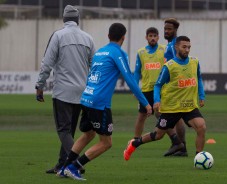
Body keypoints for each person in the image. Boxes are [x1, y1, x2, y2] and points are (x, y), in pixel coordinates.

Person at [57, 23, 152, 181]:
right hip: (99, 103)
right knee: (106, 143)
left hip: (87, 97)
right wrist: (146, 103)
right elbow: (130, 79)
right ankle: (74, 167)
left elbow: (90, 75)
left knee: (88, 134)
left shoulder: (100, 52)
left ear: (108, 36)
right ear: (123, 37)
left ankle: (64, 167)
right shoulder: (118, 53)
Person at [123, 36, 206, 161]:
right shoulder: (169, 66)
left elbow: (198, 78)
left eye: (189, 47)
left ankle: (198, 158)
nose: (187, 50)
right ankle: (134, 143)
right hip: (171, 107)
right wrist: (157, 101)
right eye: (184, 47)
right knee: (158, 135)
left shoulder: (194, 62)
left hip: (189, 105)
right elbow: (157, 85)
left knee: (201, 127)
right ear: (176, 47)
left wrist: (201, 95)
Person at [35, 5, 95, 174]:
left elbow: (47, 64)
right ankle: (62, 164)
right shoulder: (88, 38)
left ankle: (75, 161)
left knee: (63, 130)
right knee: (70, 131)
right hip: (83, 91)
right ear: (78, 19)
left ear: (64, 19)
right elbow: (94, 65)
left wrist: (39, 86)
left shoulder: (58, 36)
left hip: (63, 91)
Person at [133, 27, 166, 139]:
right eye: (150, 36)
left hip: (161, 89)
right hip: (146, 89)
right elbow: (137, 72)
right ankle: (135, 140)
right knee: (142, 116)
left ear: (158, 37)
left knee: (162, 115)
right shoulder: (141, 52)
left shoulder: (164, 50)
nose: (152, 38)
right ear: (146, 37)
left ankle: (175, 139)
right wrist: (135, 87)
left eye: (154, 36)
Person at [163, 18, 188, 157]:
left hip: (173, 87)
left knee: (160, 113)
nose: (166, 31)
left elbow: (178, 64)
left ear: (175, 30)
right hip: (171, 86)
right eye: (165, 29)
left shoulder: (174, 45)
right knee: (177, 117)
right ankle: (181, 146)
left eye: (169, 29)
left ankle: (178, 143)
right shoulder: (170, 45)